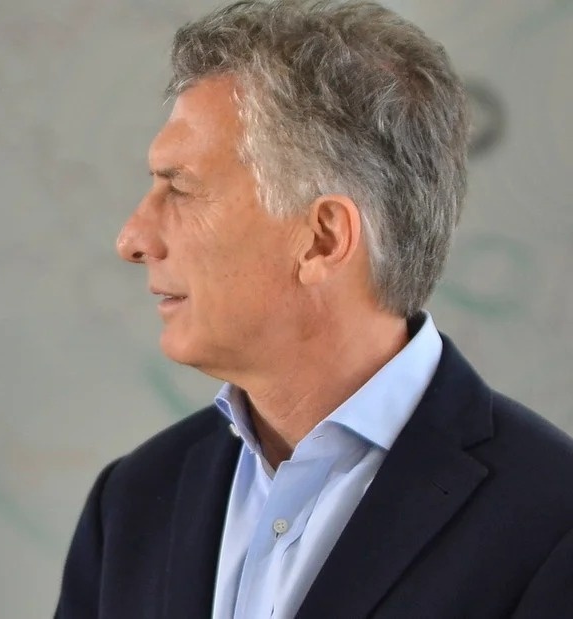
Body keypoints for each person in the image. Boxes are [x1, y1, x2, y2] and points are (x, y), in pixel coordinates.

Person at [55, 1, 573, 618]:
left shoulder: (553, 522)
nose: (132, 239)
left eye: (182, 189)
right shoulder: (132, 502)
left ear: (323, 239)